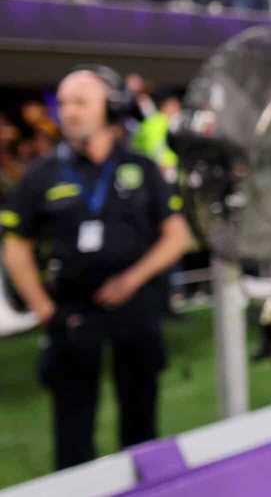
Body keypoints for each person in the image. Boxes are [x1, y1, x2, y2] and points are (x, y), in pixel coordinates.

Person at [0, 67, 192, 470]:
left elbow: (177, 236)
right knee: (72, 433)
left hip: (137, 308)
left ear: (111, 106)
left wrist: (131, 280)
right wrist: (43, 309)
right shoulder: (42, 173)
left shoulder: (141, 167)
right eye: (64, 103)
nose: (68, 112)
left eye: (80, 102)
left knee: (140, 424)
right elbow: (16, 248)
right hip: (71, 315)